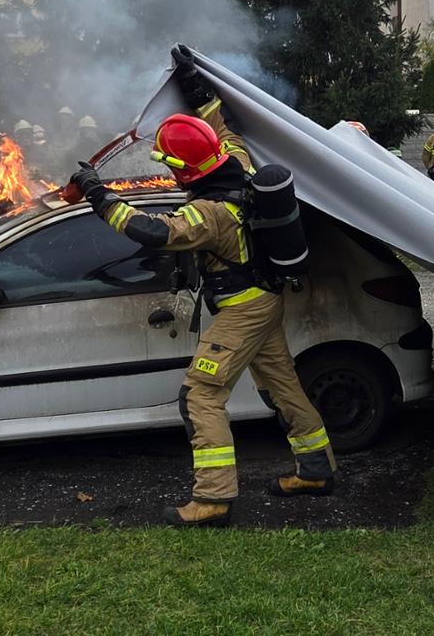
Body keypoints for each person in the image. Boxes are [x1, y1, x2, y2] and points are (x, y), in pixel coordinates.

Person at [66, 49, 335, 528]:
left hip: (242, 311)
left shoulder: (208, 215)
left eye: (171, 165)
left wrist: (97, 194)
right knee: (282, 386)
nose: (168, 171)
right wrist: (197, 89)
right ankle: (316, 468)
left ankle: (213, 499)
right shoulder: (237, 162)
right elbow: (225, 127)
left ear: (185, 171)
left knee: (200, 396)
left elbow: (151, 231)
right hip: (265, 300)